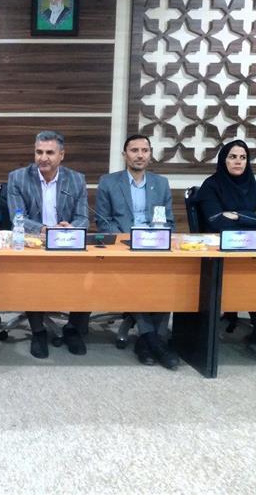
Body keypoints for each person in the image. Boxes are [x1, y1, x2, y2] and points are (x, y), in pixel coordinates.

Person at [197, 139, 256, 370]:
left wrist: (237, 215)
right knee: (253, 280)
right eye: (232, 157)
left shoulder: (253, 185)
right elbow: (215, 222)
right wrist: (252, 215)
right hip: (221, 254)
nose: (238, 162)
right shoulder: (211, 186)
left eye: (242, 157)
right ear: (224, 160)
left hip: (252, 250)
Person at [95, 134, 179, 369]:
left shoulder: (160, 183)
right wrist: (128, 240)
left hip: (155, 246)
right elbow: (103, 222)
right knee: (137, 276)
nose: (140, 155)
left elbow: (169, 222)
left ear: (150, 154)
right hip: (125, 247)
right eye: (134, 150)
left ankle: (150, 339)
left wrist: (156, 239)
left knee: (170, 278)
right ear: (125, 155)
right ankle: (154, 340)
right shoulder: (108, 182)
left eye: (144, 150)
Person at [7, 130, 89, 359]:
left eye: (50, 153)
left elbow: (83, 218)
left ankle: (73, 329)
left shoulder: (76, 179)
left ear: (61, 155)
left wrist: (70, 228)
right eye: (39, 152)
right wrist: (45, 230)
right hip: (35, 243)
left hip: (67, 242)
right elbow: (17, 217)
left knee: (90, 270)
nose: (43, 158)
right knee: (32, 272)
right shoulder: (18, 178)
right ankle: (38, 331)